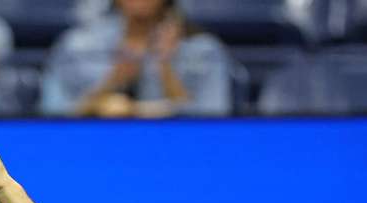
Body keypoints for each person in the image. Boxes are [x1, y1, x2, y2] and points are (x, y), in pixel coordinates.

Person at [41, 0, 231, 117]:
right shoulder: (78, 45)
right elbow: (49, 113)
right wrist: (112, 82)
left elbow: (216, 121)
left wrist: (166, 69)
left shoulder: (203, 50)